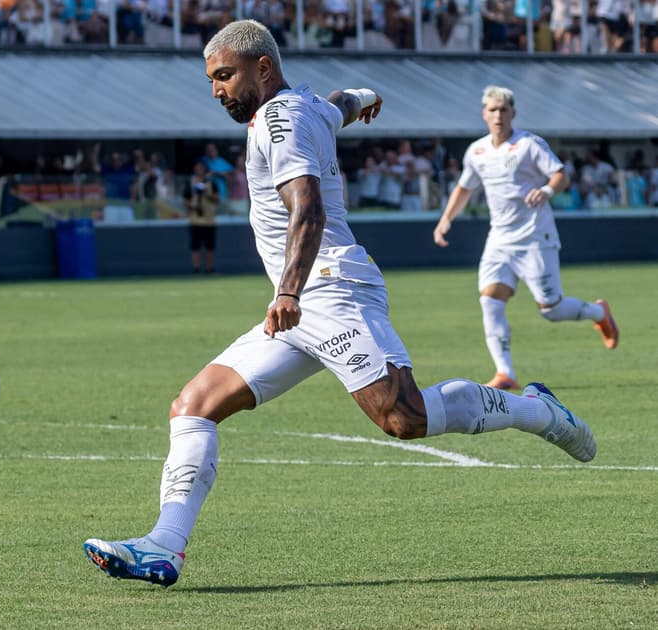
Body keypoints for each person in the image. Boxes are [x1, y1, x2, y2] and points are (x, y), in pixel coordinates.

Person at [83, 20, 598, 588]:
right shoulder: (301, 106)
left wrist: (287, 292)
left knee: (405, 418)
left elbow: (308, 210)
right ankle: (164, 546)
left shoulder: (279, 120)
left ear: (263, 68)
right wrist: (365, 96)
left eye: (224, 76)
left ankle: (537, 410)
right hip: (304, 300)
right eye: (211, 80)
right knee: (194, 405)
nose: (216, 90)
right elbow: (337, 106)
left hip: (328, 289)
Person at [433, 85, 619, 392]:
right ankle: (505, 372)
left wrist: (546, 190)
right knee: (490, 300)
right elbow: (465, 188)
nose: (498, 116)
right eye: (492, 110)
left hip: (535, 237)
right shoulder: (477, 151)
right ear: (484, 114)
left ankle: (600, 313)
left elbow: (561, 175)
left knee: (551, 310)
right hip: (500, 240)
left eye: (503, 110)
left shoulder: (530, 144)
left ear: (513, 113)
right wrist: (445, 220)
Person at [183, 160, 219, 273]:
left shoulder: (211, 183)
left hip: (209, 220)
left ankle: (209, 268)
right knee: (195, 246)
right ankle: (196, 268)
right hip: (195, 220)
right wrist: (194, 206)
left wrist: (207, 194)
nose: (199, 170)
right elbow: (185, 201)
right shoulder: (190, 183)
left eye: (201, 167)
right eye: (197, 167)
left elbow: (217, 199)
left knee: (209, 246)